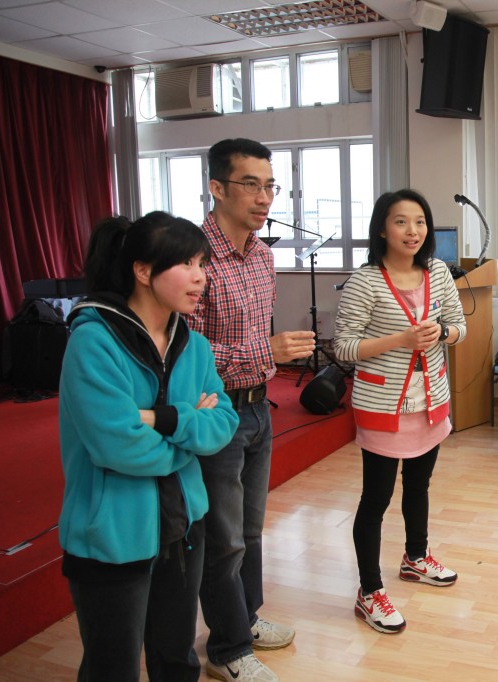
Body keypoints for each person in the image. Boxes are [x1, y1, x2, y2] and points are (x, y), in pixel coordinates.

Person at [58, 212, 239, 681]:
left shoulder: (194, 346)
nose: (201, 277)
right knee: (113, 667)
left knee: (176, 658)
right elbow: (117, 445)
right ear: (142, 271)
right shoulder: (93, 341)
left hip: (183, 526)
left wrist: (163, 419)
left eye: (203, 263)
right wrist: (188, 440)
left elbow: (223, 423)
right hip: (111, 534)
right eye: (186, 264)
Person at [185, 138, 316, 682]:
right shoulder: (194, 258)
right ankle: (228, 649)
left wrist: (266, 362)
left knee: (252, 530)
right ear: (217, 188)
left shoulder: (263, 256)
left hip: (259, 407)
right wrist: (269, 352)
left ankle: (248, 617)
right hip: (216, 413)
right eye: (251, 185)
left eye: (270, 186)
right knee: (224, 539)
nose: (264, 198)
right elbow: (187, 352)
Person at [333, 189, 467, 634]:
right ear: (381, 229)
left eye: (420, 222)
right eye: (401, 221)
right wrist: (401, 340)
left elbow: (459, 327)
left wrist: (442, 332)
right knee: (376, 500)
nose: (413, 231)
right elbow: (344, 346)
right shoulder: (365, 280)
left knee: (419, 485)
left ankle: (415, 557)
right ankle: (369, 591)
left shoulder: (438, 273)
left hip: (430, 401)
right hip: (383, 405)